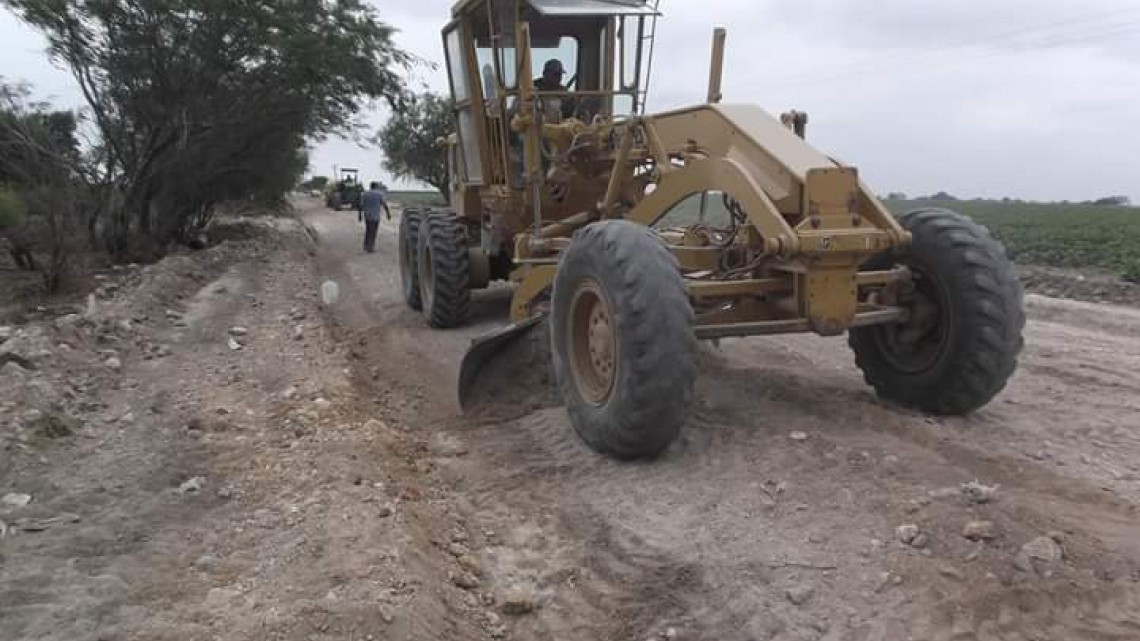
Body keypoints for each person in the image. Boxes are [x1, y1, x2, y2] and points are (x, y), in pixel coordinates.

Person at [357, 181, 391, 253]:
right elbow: (384, 204)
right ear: (376, 187)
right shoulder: (379, 194)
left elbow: (361, 205)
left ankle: (366, 245)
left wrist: (360, 215)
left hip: (367, 215)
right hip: (375, 216)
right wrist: (388, 214)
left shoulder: (364, 194)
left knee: (368, 230)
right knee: (373, 232)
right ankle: (371, 247)